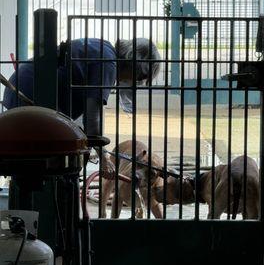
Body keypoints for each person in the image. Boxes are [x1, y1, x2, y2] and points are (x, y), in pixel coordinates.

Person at [3, 37, 161, 177]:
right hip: (32, 102)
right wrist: (104, 159)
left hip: (20, 96)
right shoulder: (108, 64)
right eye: (141, 77)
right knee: (53, 169)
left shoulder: (102, 48)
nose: (138, 82)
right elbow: (92, 119)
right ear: (137, 65)